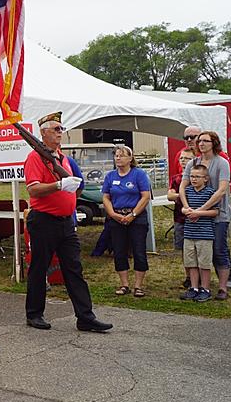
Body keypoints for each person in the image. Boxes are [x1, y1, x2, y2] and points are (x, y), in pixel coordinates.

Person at [23, 112, 112, 333]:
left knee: (74, 268)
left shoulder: (63, 158)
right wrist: (59, 186)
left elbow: (77, 186)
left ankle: (85, 316)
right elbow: (33, 188)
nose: (60, 133)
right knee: (39, 268)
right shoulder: (35, 157)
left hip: (65, 222)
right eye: (56, 129)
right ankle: (34, 313)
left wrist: (71, 187)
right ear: (43, 133)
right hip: (44, 220)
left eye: (61, 129)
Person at [180, 130, 231, 300]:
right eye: (199, 141)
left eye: (205, 141)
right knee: (194, 253)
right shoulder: (193, 163)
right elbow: (183, 186)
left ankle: (223, 287)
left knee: (219, 250)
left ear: (214, 143)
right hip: (195, 215)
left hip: (218, 214)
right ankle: (196, 287)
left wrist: (200, 210)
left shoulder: (222, 163)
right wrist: (187, 207)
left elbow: (222, 190)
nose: (201, 143)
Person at [101, 145, 152, 297]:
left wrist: (133, 214)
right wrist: (112, 213)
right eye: (116, 155)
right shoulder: (110, 176)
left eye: (122, 155)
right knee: (119, 250)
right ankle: (124, 284)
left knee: (139, 250)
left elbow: (145, 196)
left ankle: (138, 285)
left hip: (136, 217)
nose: (118, 158)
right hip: (116, 217)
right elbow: (106, 196)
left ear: (130, 159)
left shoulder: (139, 174)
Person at [179, 165, 217, 303]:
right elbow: (183, 208)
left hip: (204, 235)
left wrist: (198, 213)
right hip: (189, 234)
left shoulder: (210, 193)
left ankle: (205, 288)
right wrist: (186, 211)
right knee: (191, 263)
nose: (194, 179)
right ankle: (193, 288)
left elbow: (215, 212)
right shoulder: (187, 192)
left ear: (205, 179)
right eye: (192, 176)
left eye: (197, 177)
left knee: (204, 263)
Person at [167, 150, 195, 252]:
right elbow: (170, 196)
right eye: (181, 158)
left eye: (187, 158)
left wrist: (178, 196)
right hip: (179, 218)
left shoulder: (198, 177)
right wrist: (182, 195)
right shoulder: (176, 179)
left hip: (196, 217)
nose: (183, 160)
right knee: (179, 248)